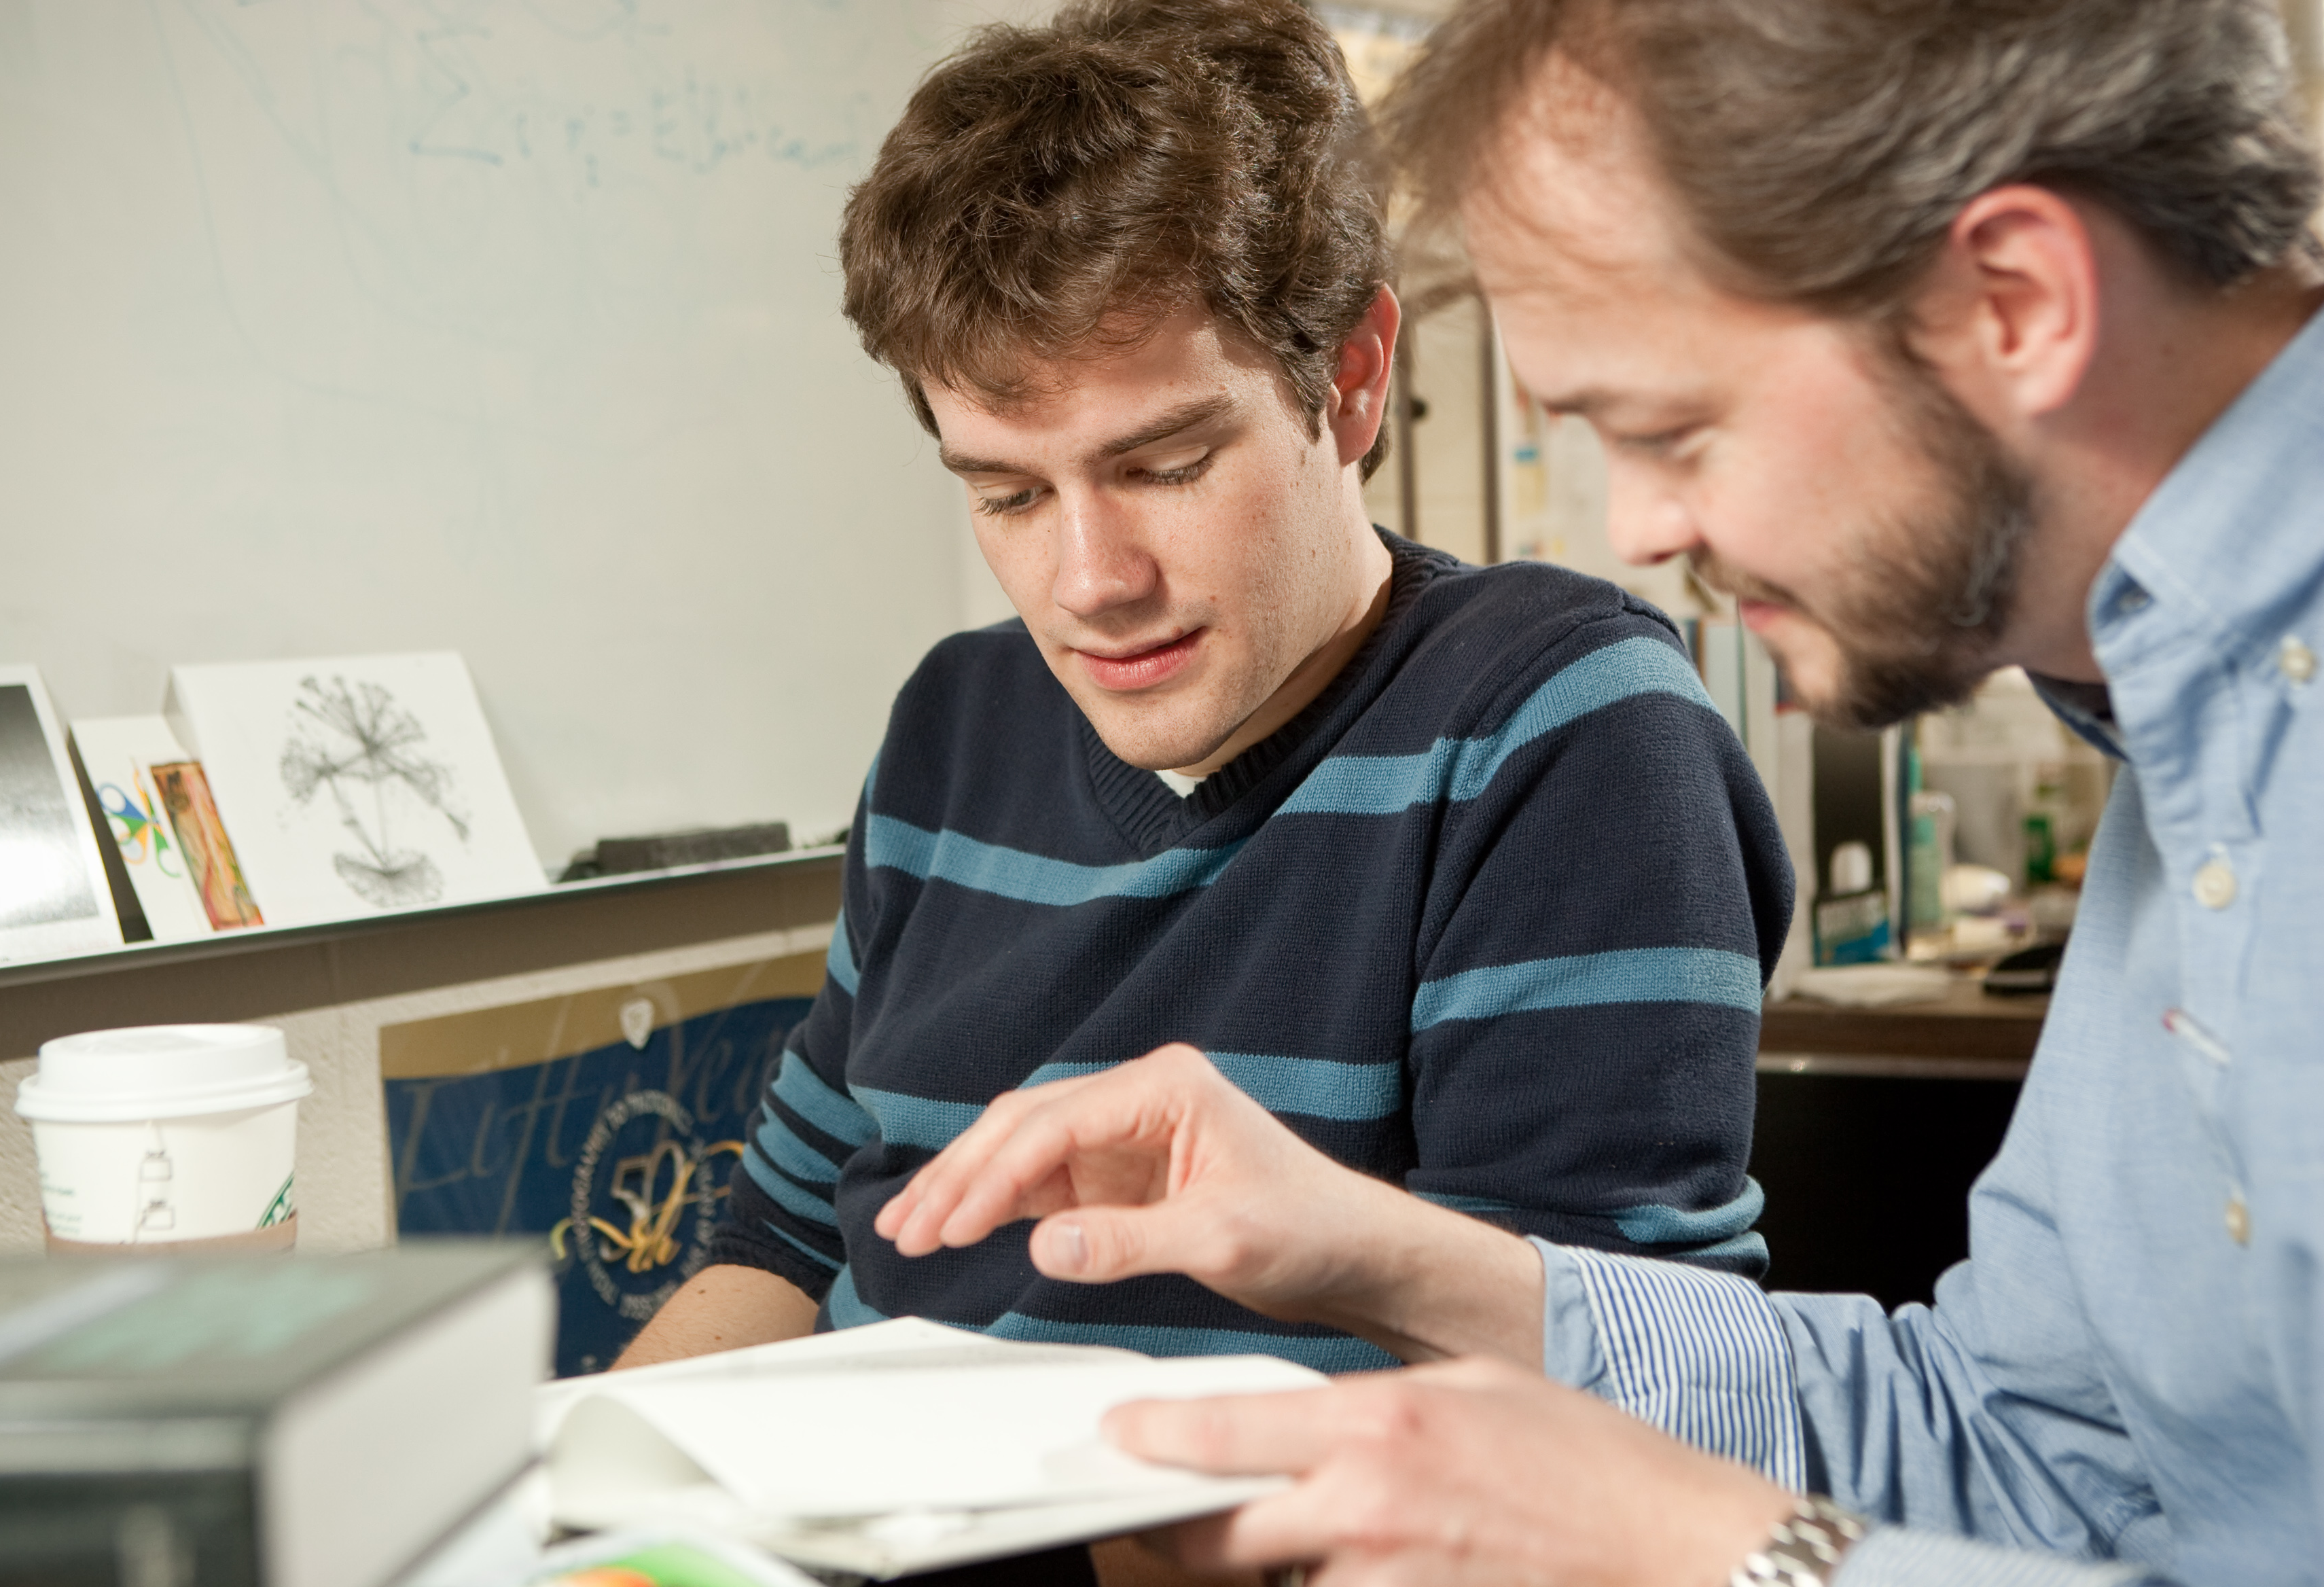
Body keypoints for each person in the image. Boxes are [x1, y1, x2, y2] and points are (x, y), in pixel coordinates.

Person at [874, 0, 2324, 1582]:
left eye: (1675, 427)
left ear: (2020, 299)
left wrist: (1720, 1555)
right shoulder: (2189, 734)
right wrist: (1383, 1258)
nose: (1634, 527)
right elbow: (2012, 1445)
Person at [618, 0, 1793, 1383]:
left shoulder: (1562, 730)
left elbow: (1577, 1393)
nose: (1088, 581)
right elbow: (784, 1230)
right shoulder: (955, 725)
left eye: (1166, 466)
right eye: (1004, 492)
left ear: (1348, 381)